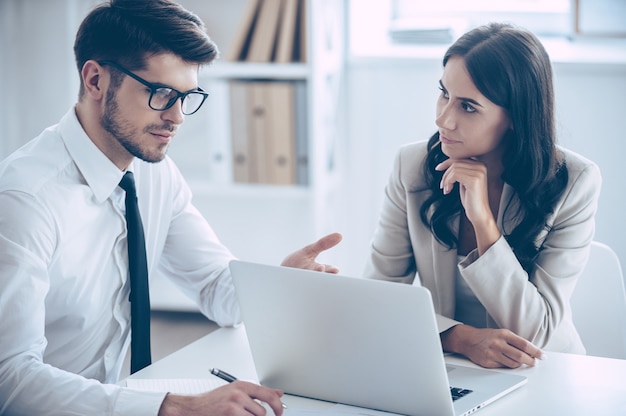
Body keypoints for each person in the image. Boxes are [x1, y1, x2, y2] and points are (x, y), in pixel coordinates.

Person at [0, 0, 341, 415]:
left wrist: (280, 284)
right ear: (95, 80)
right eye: (161, 94)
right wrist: (174, 408)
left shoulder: (152, 173)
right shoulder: (25, 201)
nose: (177, 118)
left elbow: (218, 291)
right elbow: (10, 380)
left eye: (187, 96)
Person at [364, 22, 601, 369]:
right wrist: (459, 338)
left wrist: (483, 223)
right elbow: (379, 299)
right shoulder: (412, 166)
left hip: (544, 370)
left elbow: (537, 332)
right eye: (444, 93)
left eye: (468, 107)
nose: (444, 120)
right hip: (446, 365)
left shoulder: (574, 182)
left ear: (516, 118)